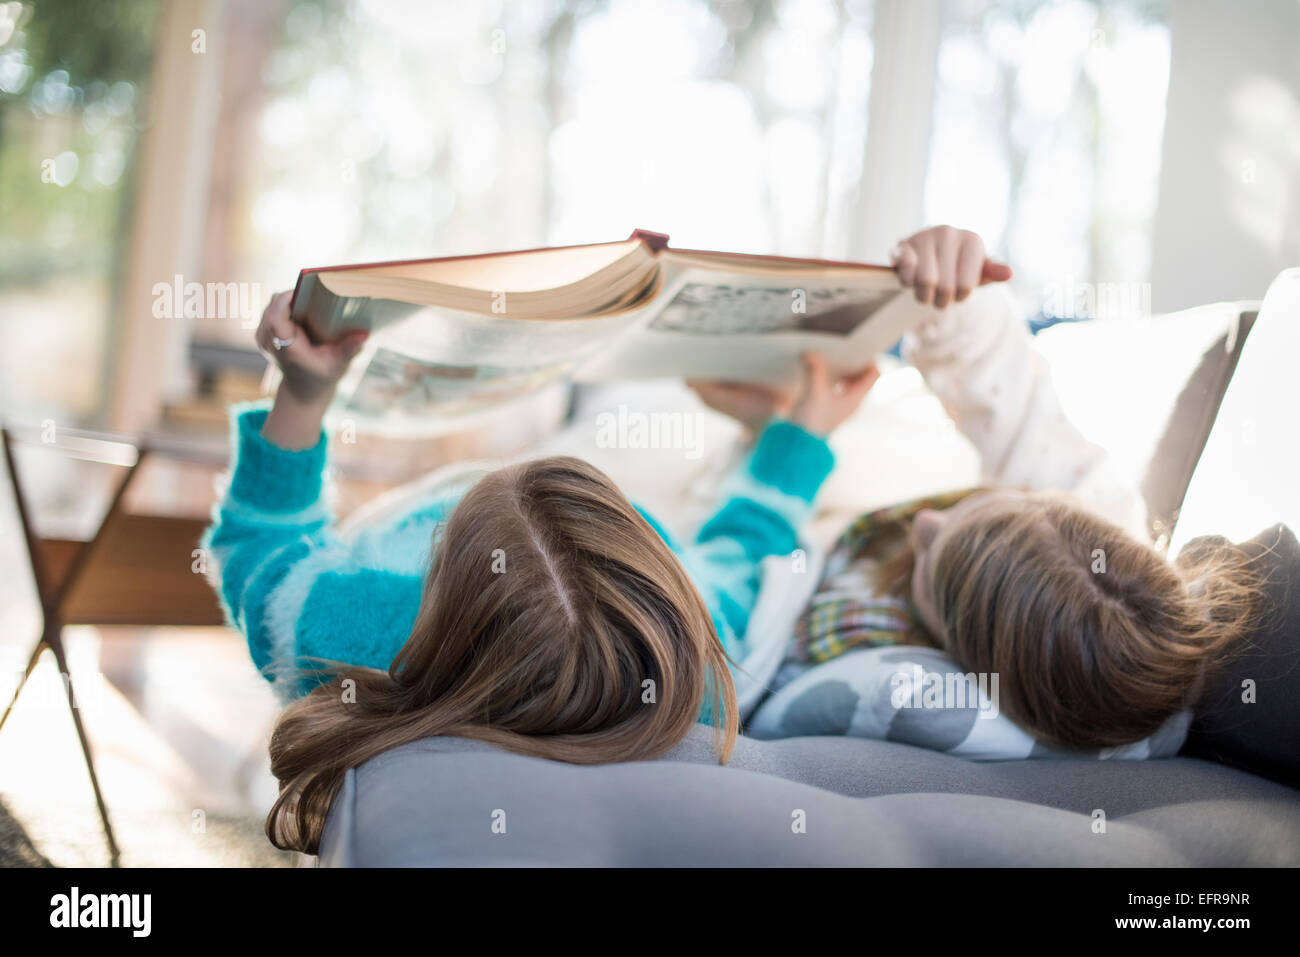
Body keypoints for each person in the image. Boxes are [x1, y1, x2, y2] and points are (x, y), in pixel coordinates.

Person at [204, 290, 874, 852]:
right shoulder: (686, 653)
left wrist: (302, 388)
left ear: (440, 544)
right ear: (660, 567)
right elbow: (748, 546)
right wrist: (801, 432)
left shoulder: (354, 630)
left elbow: (261, 546)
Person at [691, 226, 1260, 751]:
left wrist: (784, 440)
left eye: (930, 559)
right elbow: (1008, 405)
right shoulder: (1092, 559)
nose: (924, 523)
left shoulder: (859, 652)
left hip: (754, 490)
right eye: (970, 507)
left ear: (955, 647)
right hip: (818, 431)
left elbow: (736, 576)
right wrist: (951, 290)